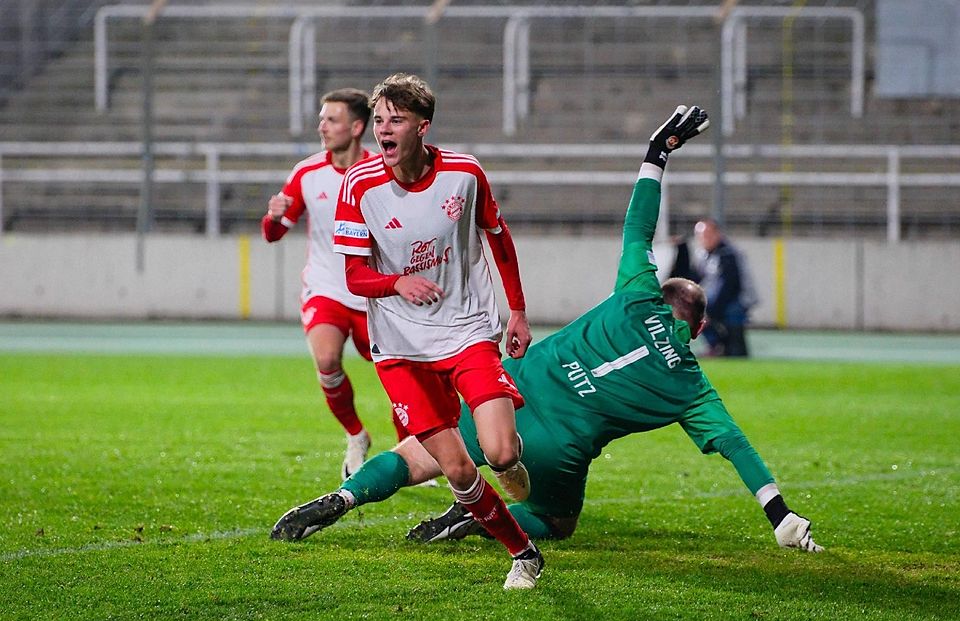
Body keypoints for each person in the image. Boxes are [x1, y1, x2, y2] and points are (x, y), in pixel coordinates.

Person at [270, 104, 824, 558]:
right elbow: (734, 445)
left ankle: (344, 498)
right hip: (558, 447)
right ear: (697, 325)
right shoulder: (691, 385)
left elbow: (639, 222)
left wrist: (657, 155)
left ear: (659, 294)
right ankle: (485, 522)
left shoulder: (635, 295)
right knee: (556, 520)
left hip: (511, 392)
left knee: (421, 454)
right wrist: (780, 514)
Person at [274, 73, 544, 590]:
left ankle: (507, 468)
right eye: (378, 121)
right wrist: (398, 282)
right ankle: (524, 555)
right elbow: (356, 276)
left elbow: (497, 236)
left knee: (502, 452)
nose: (384, 130)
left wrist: (518, 311)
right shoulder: (360, 185)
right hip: (399, 347)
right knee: (461, 472)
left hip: (466, 332)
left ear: (423, 126)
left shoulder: (464, 174)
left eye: (395, 120)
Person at [261, 88, 394, 480]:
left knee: (397, 372)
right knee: (326, 360)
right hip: (326, 288)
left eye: (331, 119)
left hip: (372, 292)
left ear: (356, 127)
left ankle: (415, 446)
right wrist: (273, 216)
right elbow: (274, 233)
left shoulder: (382, 170)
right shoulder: (306, 172)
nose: (322, 126)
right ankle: (356, 435)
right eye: (322, 118)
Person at [675, 218, 757, 357]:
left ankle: (728, 347)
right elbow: (692, 278)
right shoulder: (704, 255)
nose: (704, 239)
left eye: (707, 235)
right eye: (700, 236)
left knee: (727, 320)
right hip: (722, 298)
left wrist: (710, 309)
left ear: (718, 234)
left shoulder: (728, 254)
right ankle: (718, 346)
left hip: (739, 298)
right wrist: (682, 250)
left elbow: (729, 287)